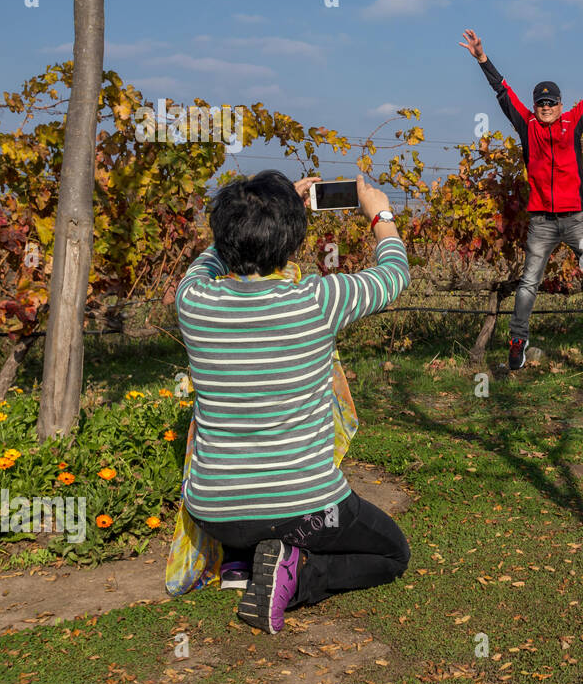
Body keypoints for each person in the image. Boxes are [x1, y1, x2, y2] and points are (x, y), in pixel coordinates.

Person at [176, 170, 411, 634]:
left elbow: (207, 261)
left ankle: (240, 562)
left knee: (253, 512)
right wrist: (379, 213)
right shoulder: (319, 299)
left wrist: (258, 219)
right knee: (391, 553)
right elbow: (394, 273)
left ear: (223, 234)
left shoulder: (193, 301)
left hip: (215, 511)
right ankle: (296, 574)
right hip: (304, 510)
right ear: (293, 240)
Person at [460, 28, 583, 370]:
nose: (546, 108)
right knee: (529, 282)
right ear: (535, 106)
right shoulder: (526, 125)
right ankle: (518, 340)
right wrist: (482, 58)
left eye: (551, 103)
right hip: (542, 222)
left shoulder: (573, 121)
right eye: (540, 103)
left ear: (560, 104)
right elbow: (503, 92)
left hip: (575, 219)